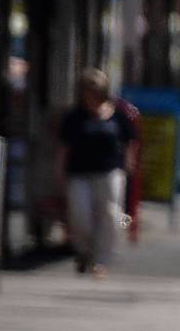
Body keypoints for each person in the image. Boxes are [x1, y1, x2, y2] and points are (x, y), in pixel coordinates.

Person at [55, 69, 138, 276]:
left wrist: (129, 167)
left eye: (93, 92)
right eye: (86, 92)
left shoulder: (119, 115)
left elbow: (130, 143)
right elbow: (63, 148)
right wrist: (60, 173)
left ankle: (101, 260)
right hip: (79, 173)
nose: (89, 97)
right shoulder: (75, 117)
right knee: (80, 214)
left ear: (103, 92)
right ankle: (84, 250)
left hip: (110, 172)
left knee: (113, 214)